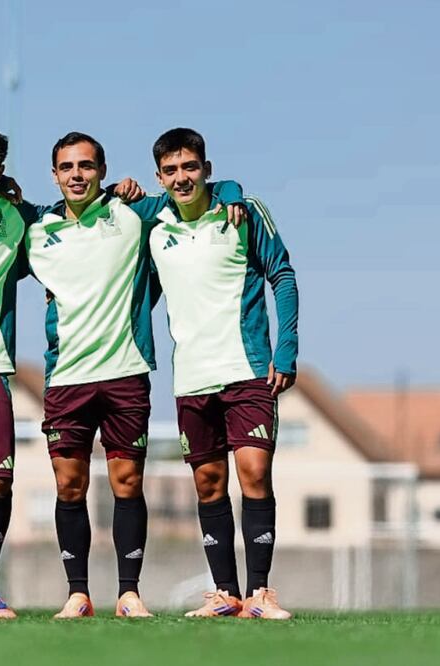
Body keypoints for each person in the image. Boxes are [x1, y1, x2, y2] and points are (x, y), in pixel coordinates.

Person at [26, 132, 247, 618]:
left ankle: (129, 593)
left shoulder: (132, 213)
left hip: (125, 373)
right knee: (69, 485)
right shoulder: (36, 229)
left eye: (87, 165)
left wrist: (231, 191)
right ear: (54, 175)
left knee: (127, 482)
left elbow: (194, 191)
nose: (77, 175)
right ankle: (77, 594)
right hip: (66, 377)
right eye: (67, 167)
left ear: (103, 172)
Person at [147, 128, 299, 620]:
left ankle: (260, 593)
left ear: (206, 170)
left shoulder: (242, 211)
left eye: (189, 167)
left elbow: (282, 275)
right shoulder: (154, 225)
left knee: (254, 473)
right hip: (191, 377)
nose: (181, 177)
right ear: (159, 178)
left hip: (247, 369)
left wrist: (286, 349)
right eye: (170, 170)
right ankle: (225, 594)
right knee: (209, 484)